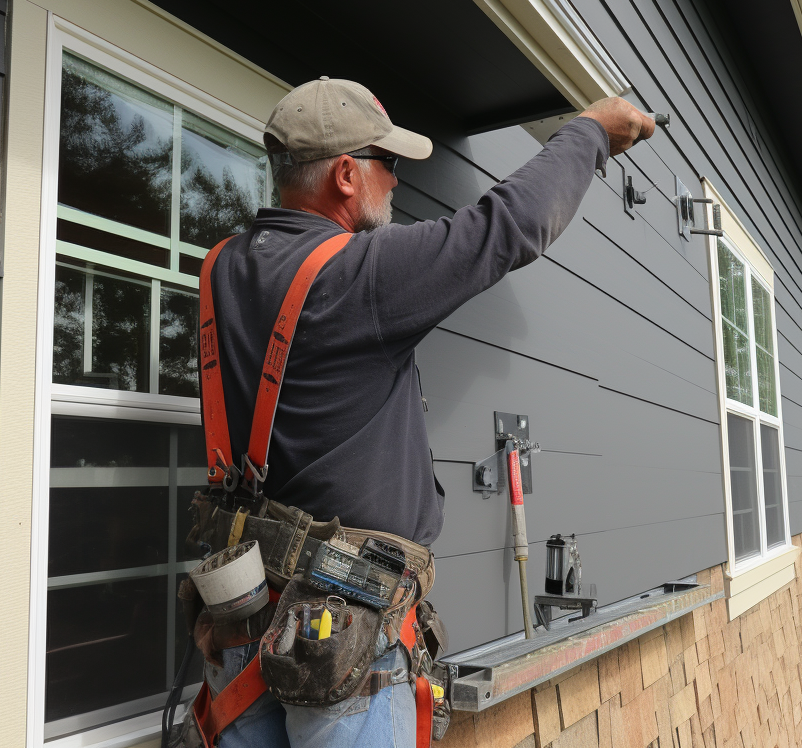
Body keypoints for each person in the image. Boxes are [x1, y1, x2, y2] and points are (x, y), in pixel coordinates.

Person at [199, 76, 654, 748]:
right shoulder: (357, 274)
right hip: (337, 644)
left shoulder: (223, 269)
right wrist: (589, 131)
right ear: (347, 175)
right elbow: (507, 224)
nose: (397, 182)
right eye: (388, 165)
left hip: (238, 623)